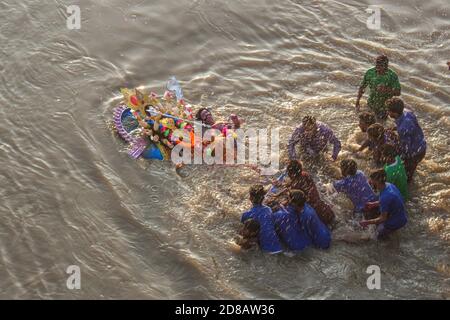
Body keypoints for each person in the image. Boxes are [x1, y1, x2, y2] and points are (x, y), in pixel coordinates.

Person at [264, 160, 335, 226]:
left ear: (293, 174)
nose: (288, 174)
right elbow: (292, 185)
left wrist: (277, 201)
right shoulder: (304, 175)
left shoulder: (296, 185)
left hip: (318, 215)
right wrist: (280, 189)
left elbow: (290, 197)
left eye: (288, 172)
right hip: (325, 210)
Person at [386, 97, 427, 183]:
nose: (387, 112)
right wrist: (394, 128)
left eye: (389, 111)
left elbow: (406, 149)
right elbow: (410, 126)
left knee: (407, 175)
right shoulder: (407, 112)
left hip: (415, 153)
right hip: (421, 145)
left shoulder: (403, 129)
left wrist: (399, 159)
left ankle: (410, 188)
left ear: (395, 113)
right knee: (411, 167)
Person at [360, 169, 408, 240]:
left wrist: (367, 222)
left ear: (377, 182)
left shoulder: (385, 197)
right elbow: (389, 201)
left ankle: (387, 242)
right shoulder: (389, 185)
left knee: (377, 235)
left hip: (397, 222)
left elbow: (383, 218)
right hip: (401, 215)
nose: (370, 183)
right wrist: (374, 204)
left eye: (372, 181)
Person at [356, 54, 401, 120]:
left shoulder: (392, 76)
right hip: (371, 103)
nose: (378, 68)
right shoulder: (370, 73)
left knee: (381, 124)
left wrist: (386, 89)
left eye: (381, 65)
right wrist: (357, 101)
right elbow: (362, 87)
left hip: (384, 107)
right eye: (377, 64)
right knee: (367, 122)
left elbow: (398, 92)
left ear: (386, 66)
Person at [240, 185, 283, 254]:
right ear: (263, 198)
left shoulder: (247, 214)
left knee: (243, 233)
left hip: (266, 249)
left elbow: (243, 229)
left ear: (250, 198)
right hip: (278, 246)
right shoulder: (268, 209)